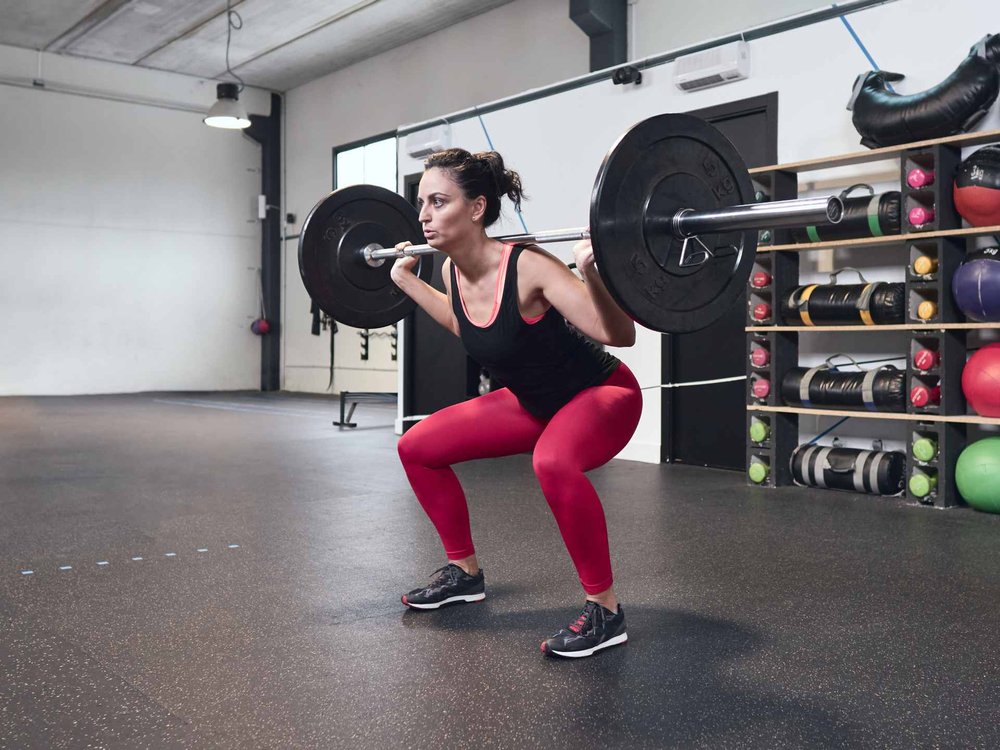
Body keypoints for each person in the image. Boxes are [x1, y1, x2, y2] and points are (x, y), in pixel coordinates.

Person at [390, 148, 642, 658]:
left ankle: (606, 611)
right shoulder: (449, 273)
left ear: (477, 208)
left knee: (552, 462)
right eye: (422, 203)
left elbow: (620, 334)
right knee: (417, 447)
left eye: (438, 202)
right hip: (533, 403)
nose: (423, 216)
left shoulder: (528, 266)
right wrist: (405, 281)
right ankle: (464, 574)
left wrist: (593, 273)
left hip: (602, 394)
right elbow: (471, 328)